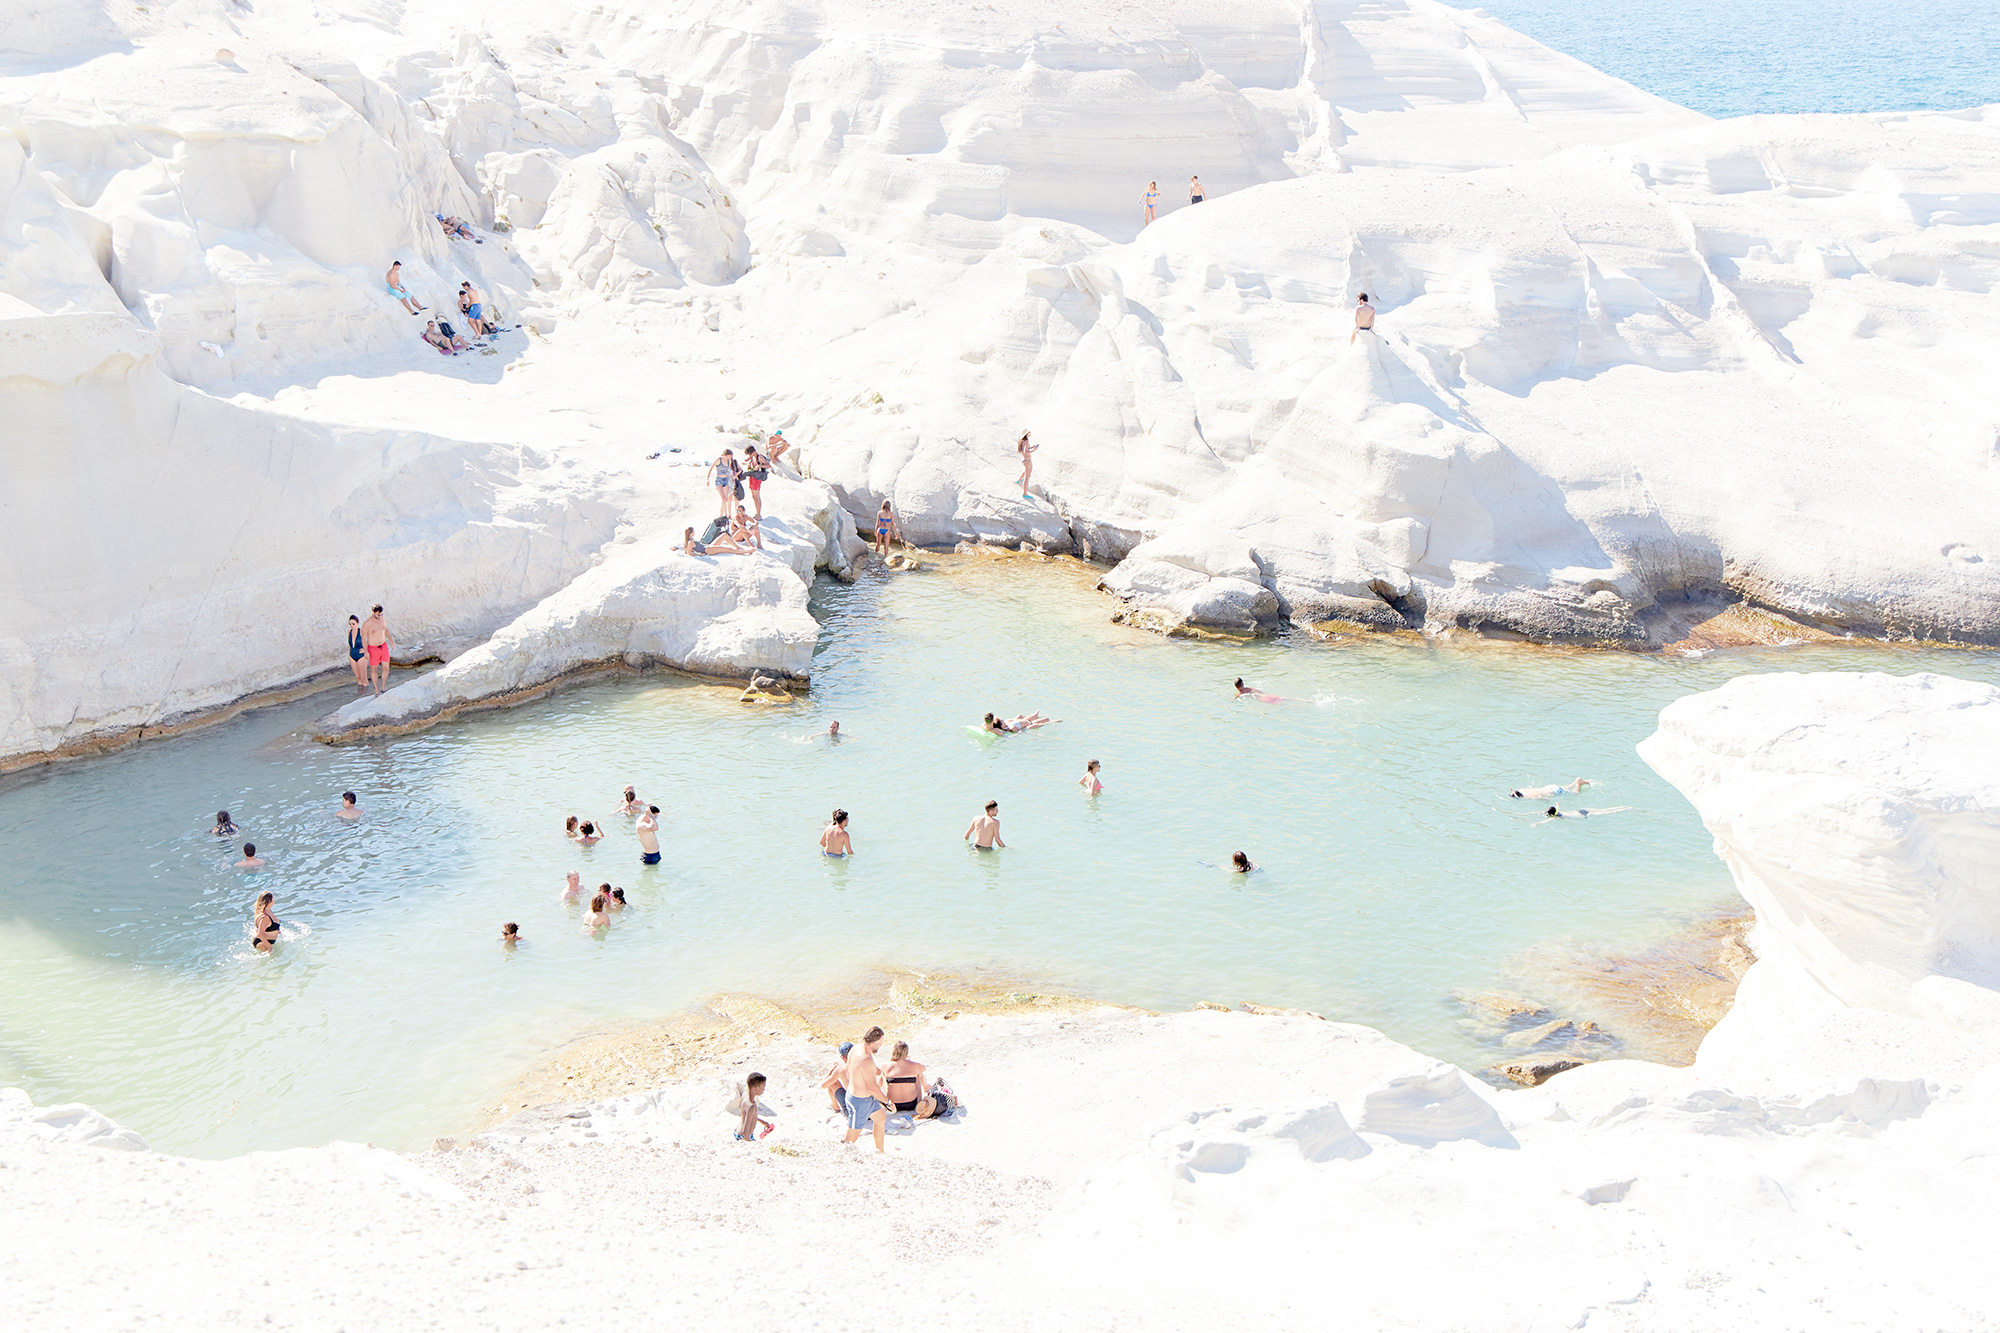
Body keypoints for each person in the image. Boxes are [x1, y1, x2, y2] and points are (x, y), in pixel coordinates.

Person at [842, 1027, 890, 1152]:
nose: (880, 1046)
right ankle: (841, 1154)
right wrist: (887, 1101)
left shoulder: (855, 1048)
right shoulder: (866, 1059)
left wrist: (876, 1070)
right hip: (860, 1101)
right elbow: (872, 1088)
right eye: (880, 1043)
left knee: (880, 1119)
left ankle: (880, 1151)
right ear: (875, 1042)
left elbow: (848, 1069)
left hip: (860, 1097)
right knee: (850, 1139)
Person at [882, 1041, 939, 1120]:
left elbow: (880, 1085)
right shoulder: (914, 1065)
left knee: (885, 1078)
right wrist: (908, 1061)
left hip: (893, 1105)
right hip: (911, 1104)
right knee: (918, 1074)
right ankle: (925, 1087)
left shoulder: (885, 1066)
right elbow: (924, 1068)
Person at [360, 605, 394, 696]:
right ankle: (376, 690)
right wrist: (365, 651)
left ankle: (383, 687)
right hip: (373, 648)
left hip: (383, 646)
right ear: (373, 612)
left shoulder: (382, 619)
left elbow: (385, 629)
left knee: (386, 667)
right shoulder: (367, 623)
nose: (380, 616)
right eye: (378, 614)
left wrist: (391, 640)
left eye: (381, 614)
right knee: (374, 669)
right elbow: (363, 638)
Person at [731, 1073, 774, 1141]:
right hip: (743, 1136)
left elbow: (746, 1114)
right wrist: (751, 1142)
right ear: (755, 1089)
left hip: (738, 1130)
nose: (764, 1089)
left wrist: (762, 1122)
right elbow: (745, 1132)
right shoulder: (751, 1106)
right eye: (763, 1087)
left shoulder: (745, 1095)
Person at [820, 1041, 855, 1115]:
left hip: (853, 1112)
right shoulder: (865, 1064)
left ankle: (835, 1106)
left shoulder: (841, 1069)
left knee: (831, 1081)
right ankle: (834, 1105)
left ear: (843, 1058)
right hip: (870, 1110)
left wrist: (832, 1070)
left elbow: (823, 1085)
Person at [742, 444, 771, 519]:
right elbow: (745, 460)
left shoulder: (760, 457)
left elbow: (769, 466)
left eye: (750, 454)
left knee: (757, 496)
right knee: (754, 496)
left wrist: (760, 466)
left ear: (753, 451)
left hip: (757, 478)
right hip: (752, 476)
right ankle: (757, 513)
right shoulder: (752, 457)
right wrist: (748, 465)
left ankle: (759, 514)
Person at [709, 450, 738, 516]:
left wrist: (732, 476)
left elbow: (728, 470)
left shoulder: (729, 461)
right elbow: (711, 468)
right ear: (725, 455)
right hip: (719, 480)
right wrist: (707, 479)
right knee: (724, 499)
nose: (730, 458)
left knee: (725, 500)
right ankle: (722, 515)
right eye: (728, 457)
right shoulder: (719, 460)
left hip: (726, 479)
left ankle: (723, 515)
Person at [345, 615, 368, 692]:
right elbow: (350, 644)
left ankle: (367, 695)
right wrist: (349, 653)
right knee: (358, 678)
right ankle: (360, 695)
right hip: (352, 655)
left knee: (363, 678)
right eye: (350, 624)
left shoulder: (361, 632)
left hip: (361, 656)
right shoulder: (349, 632)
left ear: (357, 623)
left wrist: (366, 650)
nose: (351, 626)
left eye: (353, 624)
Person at [1508, 779, 1591, 799]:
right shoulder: (1524, 790)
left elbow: (1542, 798)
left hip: (1555, 791)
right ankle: (1575, 782)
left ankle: (1579, 784)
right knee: (1565, 788)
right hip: (1551, 787)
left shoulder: (1529, 796)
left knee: (1575, 794)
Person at [1016, 430, 1037, 498]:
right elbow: (1026, 452)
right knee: (1027, 477)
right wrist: (1035, 450)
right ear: (1026, 434)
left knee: (1025, 471)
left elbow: (1025, 449)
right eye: (1029, 432)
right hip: (1027, 460)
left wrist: (1031, 447)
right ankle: (1025, 494)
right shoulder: (1026, 441)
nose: (1030, 432)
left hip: (1023, 460)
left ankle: (1019, 480)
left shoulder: (1023, 441)